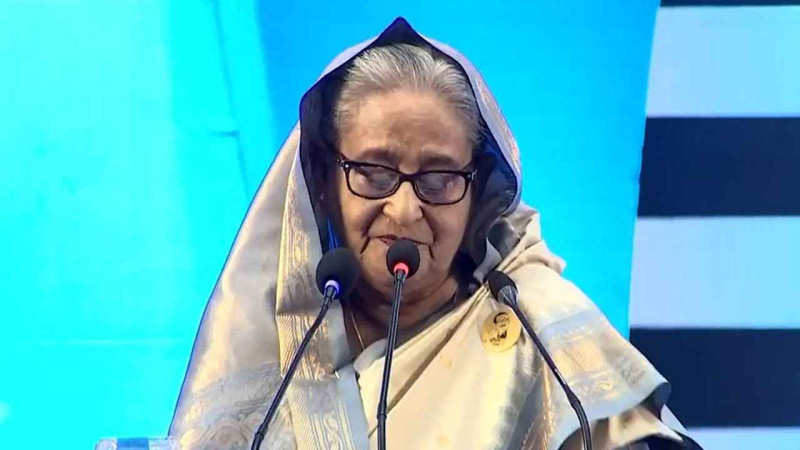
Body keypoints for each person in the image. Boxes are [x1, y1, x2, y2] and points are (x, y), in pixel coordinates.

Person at [170, 18, 701, 450]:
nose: (404, 211)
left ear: (478, 193)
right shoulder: (274, 346)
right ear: (324, 183)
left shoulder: (537, 327)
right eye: (374, 172)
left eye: (439, 177)